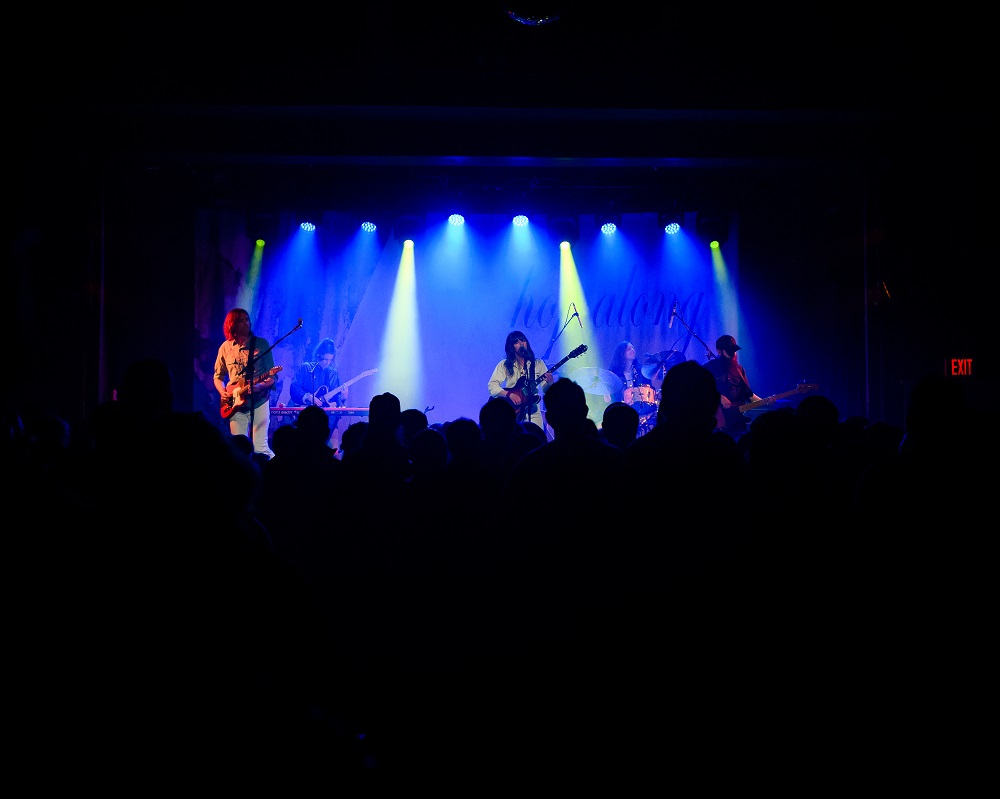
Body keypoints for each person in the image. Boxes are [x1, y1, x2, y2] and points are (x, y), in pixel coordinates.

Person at [214, 308, 276, 459]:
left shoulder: (261, 344)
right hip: (235, 405)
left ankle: (278, 469)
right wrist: (223, 393)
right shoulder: (225, 347)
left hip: (259, 401)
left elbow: (272, 377)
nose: (246, 323)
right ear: (232, 325)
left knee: (260, 448)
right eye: (241, 321)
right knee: (238, 449)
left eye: (247, 319)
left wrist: (260, 386)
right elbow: (218, 377)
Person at [487, 330, 553, 426]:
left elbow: (546, 390)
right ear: (511, 347)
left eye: (523, 340)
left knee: (536, 434)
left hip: (533, 413)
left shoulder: (538, 364)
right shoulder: (504, 364)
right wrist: (509, 394)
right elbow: (492, 386)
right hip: (513, 411)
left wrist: (550, 383)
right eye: (516, 342)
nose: (521, 343)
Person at [703, 334, 764, 437]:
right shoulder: (709, 368)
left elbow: (748, 394)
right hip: (719, 422)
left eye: (734, 350)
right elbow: (699, 392)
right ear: (719, 351)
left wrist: (765, 402)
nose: (733, 354)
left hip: (739, 419)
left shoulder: (739, 369)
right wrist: (718, 396)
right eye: (729, 351)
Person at [289, 338, 348, 409]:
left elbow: (337, 401)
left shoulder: (333, 373)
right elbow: (294, 388)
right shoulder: (306, 368)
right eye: (325, 359)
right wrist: (308, 396)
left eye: (330, 360)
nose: (328, 363)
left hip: (325, 413)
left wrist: (344, 397)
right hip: (306, 411)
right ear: (319, 356)